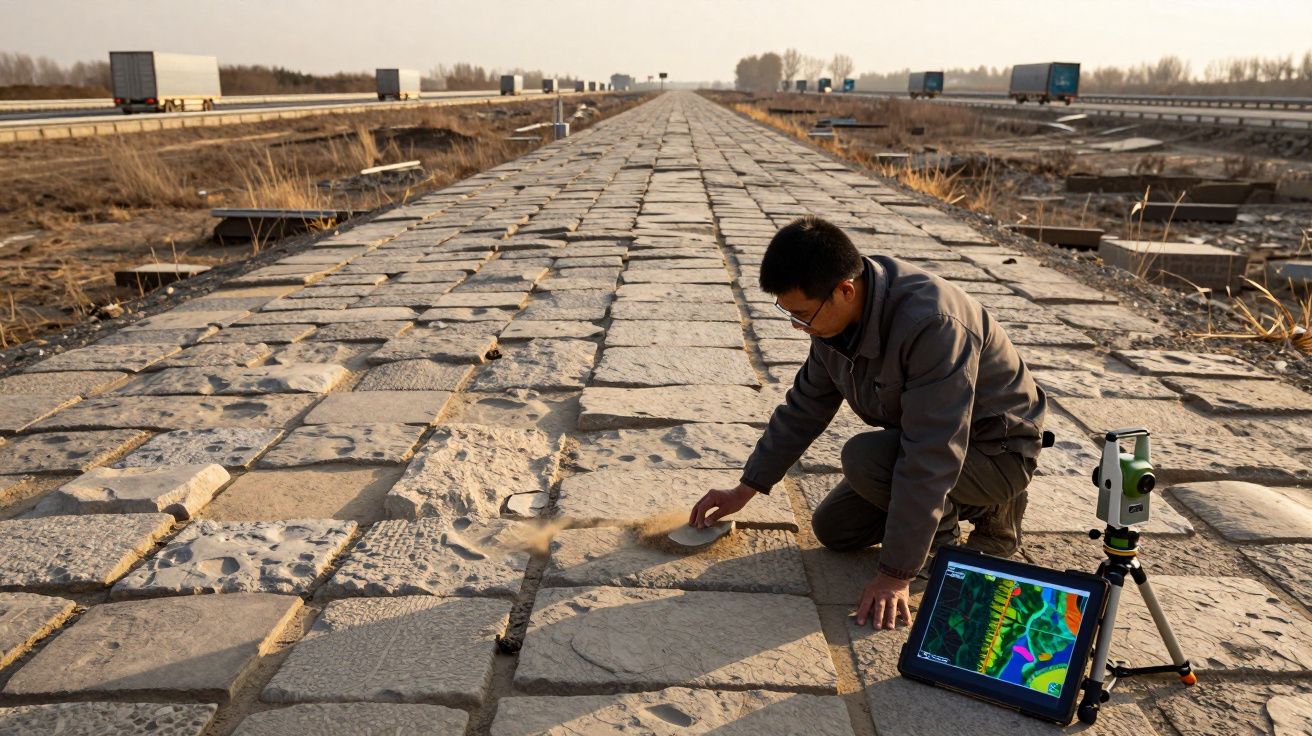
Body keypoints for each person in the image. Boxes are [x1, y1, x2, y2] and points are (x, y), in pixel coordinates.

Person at [689, 216, 1048, 631]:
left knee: (864, 457)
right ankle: (942, 520)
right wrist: (746, 487)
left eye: (802, 314)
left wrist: (896, 574)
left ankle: (975, 522)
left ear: (844, 291)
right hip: (928, 439)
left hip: (996, 451)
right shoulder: (835, 316)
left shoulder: (932, 324)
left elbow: (932, 452)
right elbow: (805, 406)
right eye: (789, 313)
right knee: (834, 530)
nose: (796, 325)